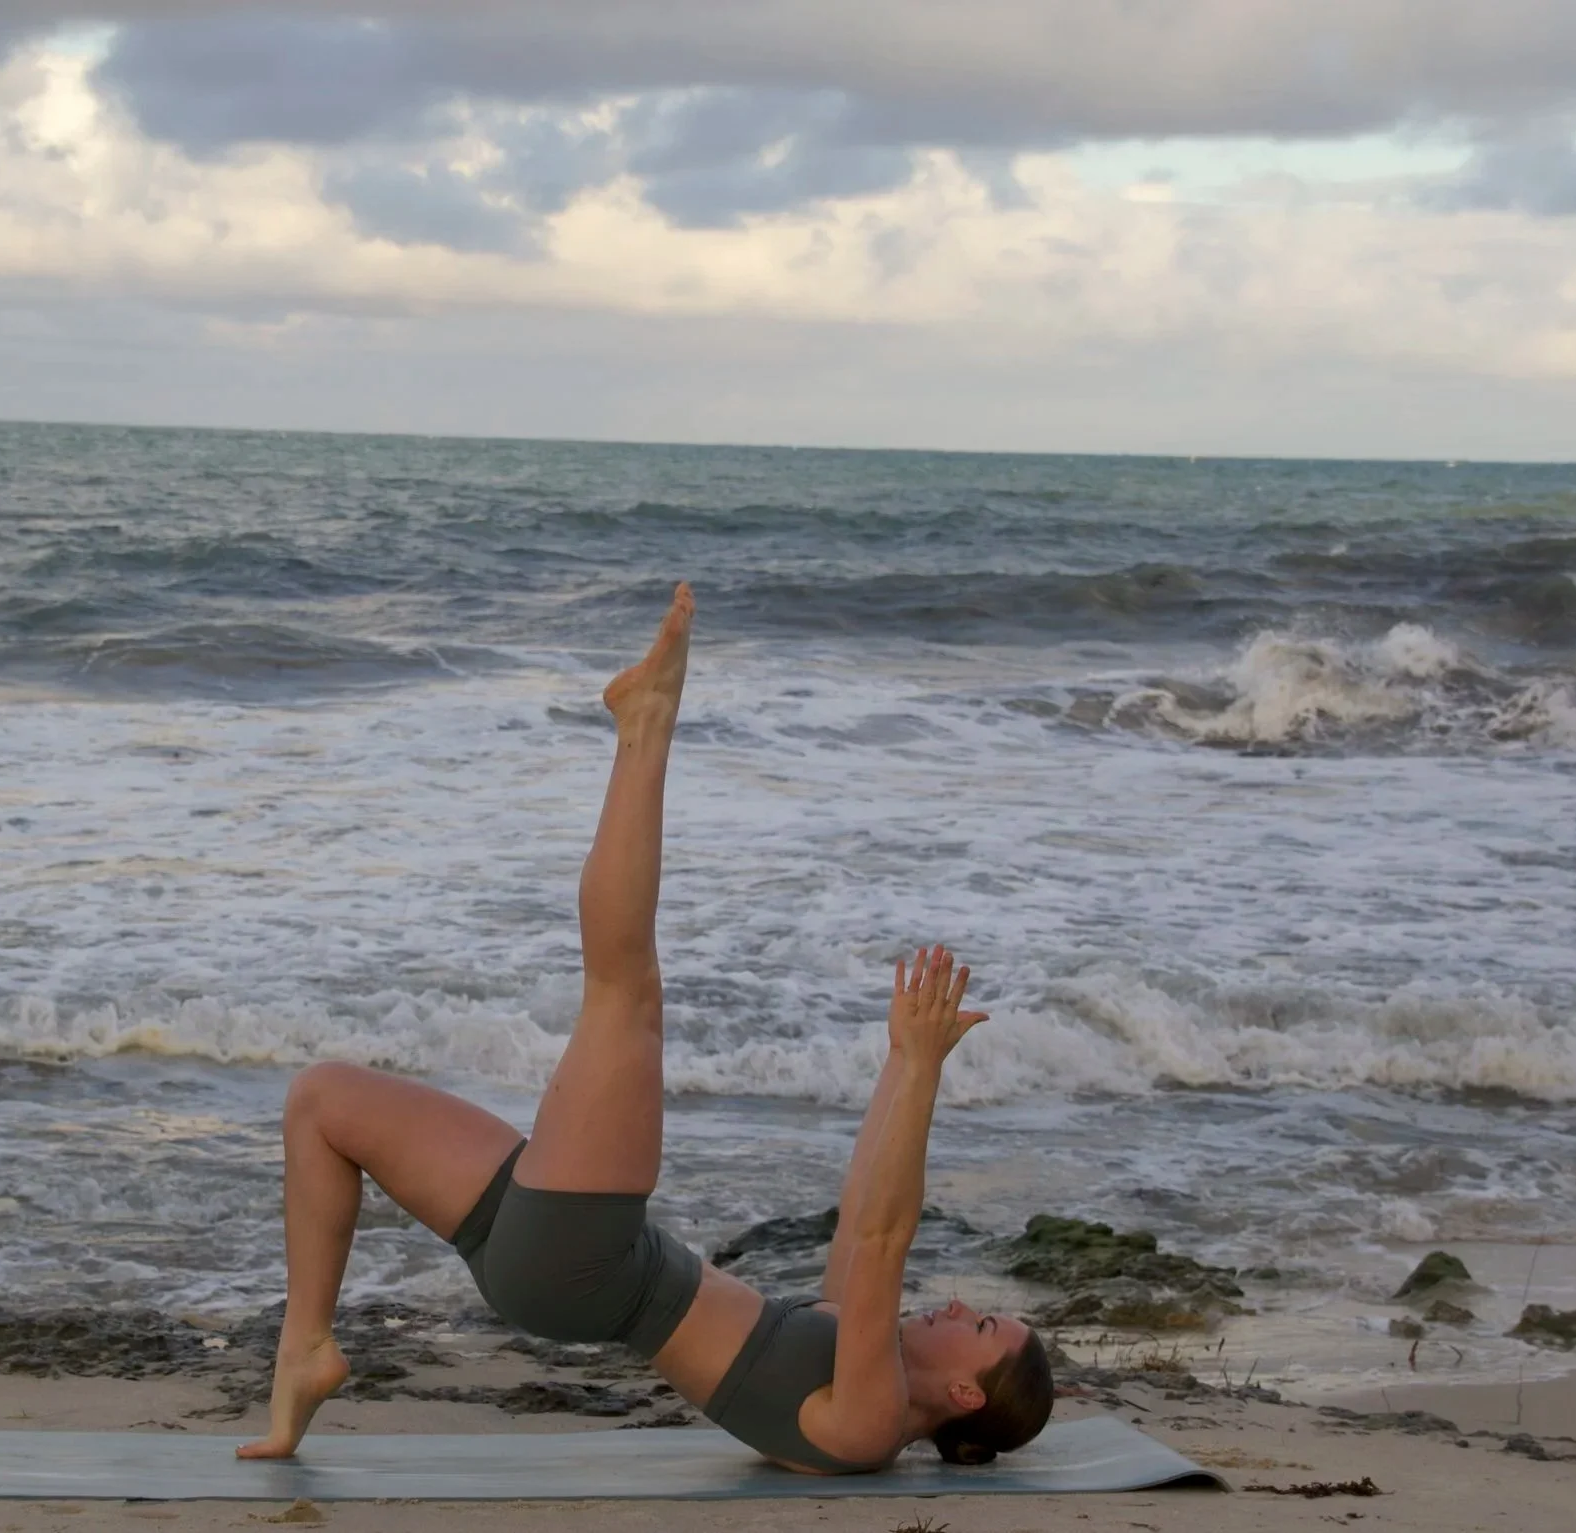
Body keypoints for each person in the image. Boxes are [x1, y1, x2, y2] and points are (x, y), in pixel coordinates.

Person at [237, 583, 1053, 1474]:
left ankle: (646, 724)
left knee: (625, 991)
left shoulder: (867, 1420)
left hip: (588, 1265)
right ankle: (305, 1348)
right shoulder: (866, 1364)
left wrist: (928, 1074)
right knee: (321, 1101)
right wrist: (902, 1060)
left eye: (979, 1326)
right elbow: (863, 1229)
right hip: (560, 1257)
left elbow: (892, 1240)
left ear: (968, 1394)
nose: (961, 1304)